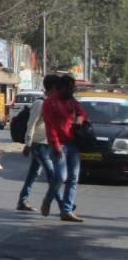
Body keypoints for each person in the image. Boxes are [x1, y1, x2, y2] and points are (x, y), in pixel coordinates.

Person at [42, 74, 87, 222]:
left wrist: (79, 120)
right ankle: (48, 200)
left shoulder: (72, 101)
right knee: (61, 176)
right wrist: (56, 145)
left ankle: (66, 211)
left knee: (73, 178)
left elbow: (82, 113)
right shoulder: (49, 103)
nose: (73, 91)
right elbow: (50, 126)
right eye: (71, 88)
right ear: (62, 88)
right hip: (58, 144)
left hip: (73, 143)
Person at [16, 75, 63, 212]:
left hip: (48, 144)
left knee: (33, 174)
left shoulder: (53, 103)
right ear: (53, 88)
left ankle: (22, 201)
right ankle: (64, 205)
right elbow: (31, 123)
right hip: (39, 144)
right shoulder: (40, 103)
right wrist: (28, 143)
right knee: (53, 175)